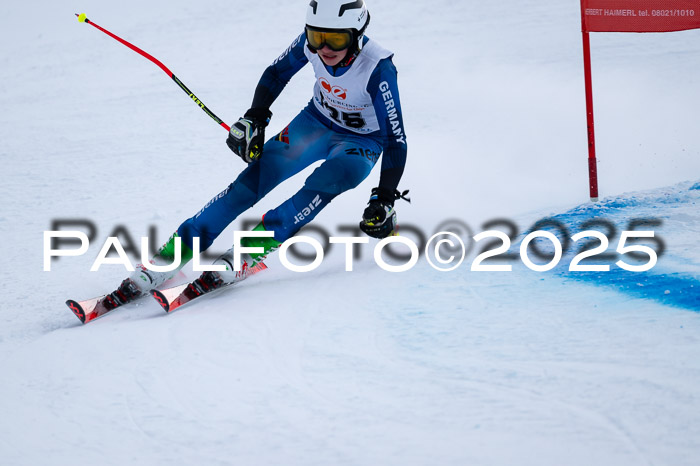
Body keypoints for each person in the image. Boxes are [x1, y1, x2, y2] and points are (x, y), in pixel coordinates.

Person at [107, 0, 408, 306]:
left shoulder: (378, 67)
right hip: (315, 123)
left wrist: (383, 199)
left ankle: (247, 252)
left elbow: (396, 139)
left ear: (357, 34)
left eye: (336, 39)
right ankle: (172, 255)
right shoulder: (311, 44)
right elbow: (276, 74)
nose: (324, 48)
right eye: (316, 37)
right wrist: (255, 118)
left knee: (330, 180)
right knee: (252, 182)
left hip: (361, 142)